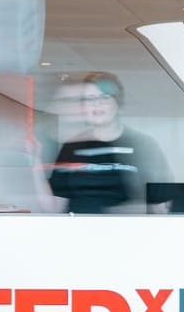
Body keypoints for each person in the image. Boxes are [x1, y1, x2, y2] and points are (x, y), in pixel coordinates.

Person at [46, 72, 172, 214]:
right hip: (80, 233)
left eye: (104, 97)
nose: (96, 104)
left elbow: (159, 206)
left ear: (117, 103)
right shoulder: (71, 148)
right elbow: (55, 206)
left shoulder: (143, 145)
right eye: (90, 99)